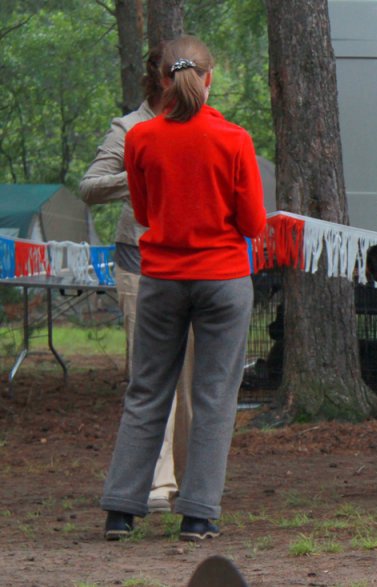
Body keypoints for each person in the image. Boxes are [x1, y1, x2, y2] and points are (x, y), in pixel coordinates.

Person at [100, 35, 267, 541]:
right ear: (208, 79)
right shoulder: (234, 138)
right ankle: (198, 515)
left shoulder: (141, 138)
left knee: (147, 390)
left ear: (163, 82)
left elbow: (147, 214)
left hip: (162, 279)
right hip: (222, 279)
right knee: (215, 395)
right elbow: (254, 223)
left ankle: (121, 510)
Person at [80, 44, 193, 514]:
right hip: (139, 267)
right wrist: (142, 167)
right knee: (150, 378)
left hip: (195, 268)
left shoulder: (203, 125)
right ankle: (158, 483)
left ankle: (190, 481)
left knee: (189, 385)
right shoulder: (129, 128)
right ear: (163, 80)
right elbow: (89, 187)